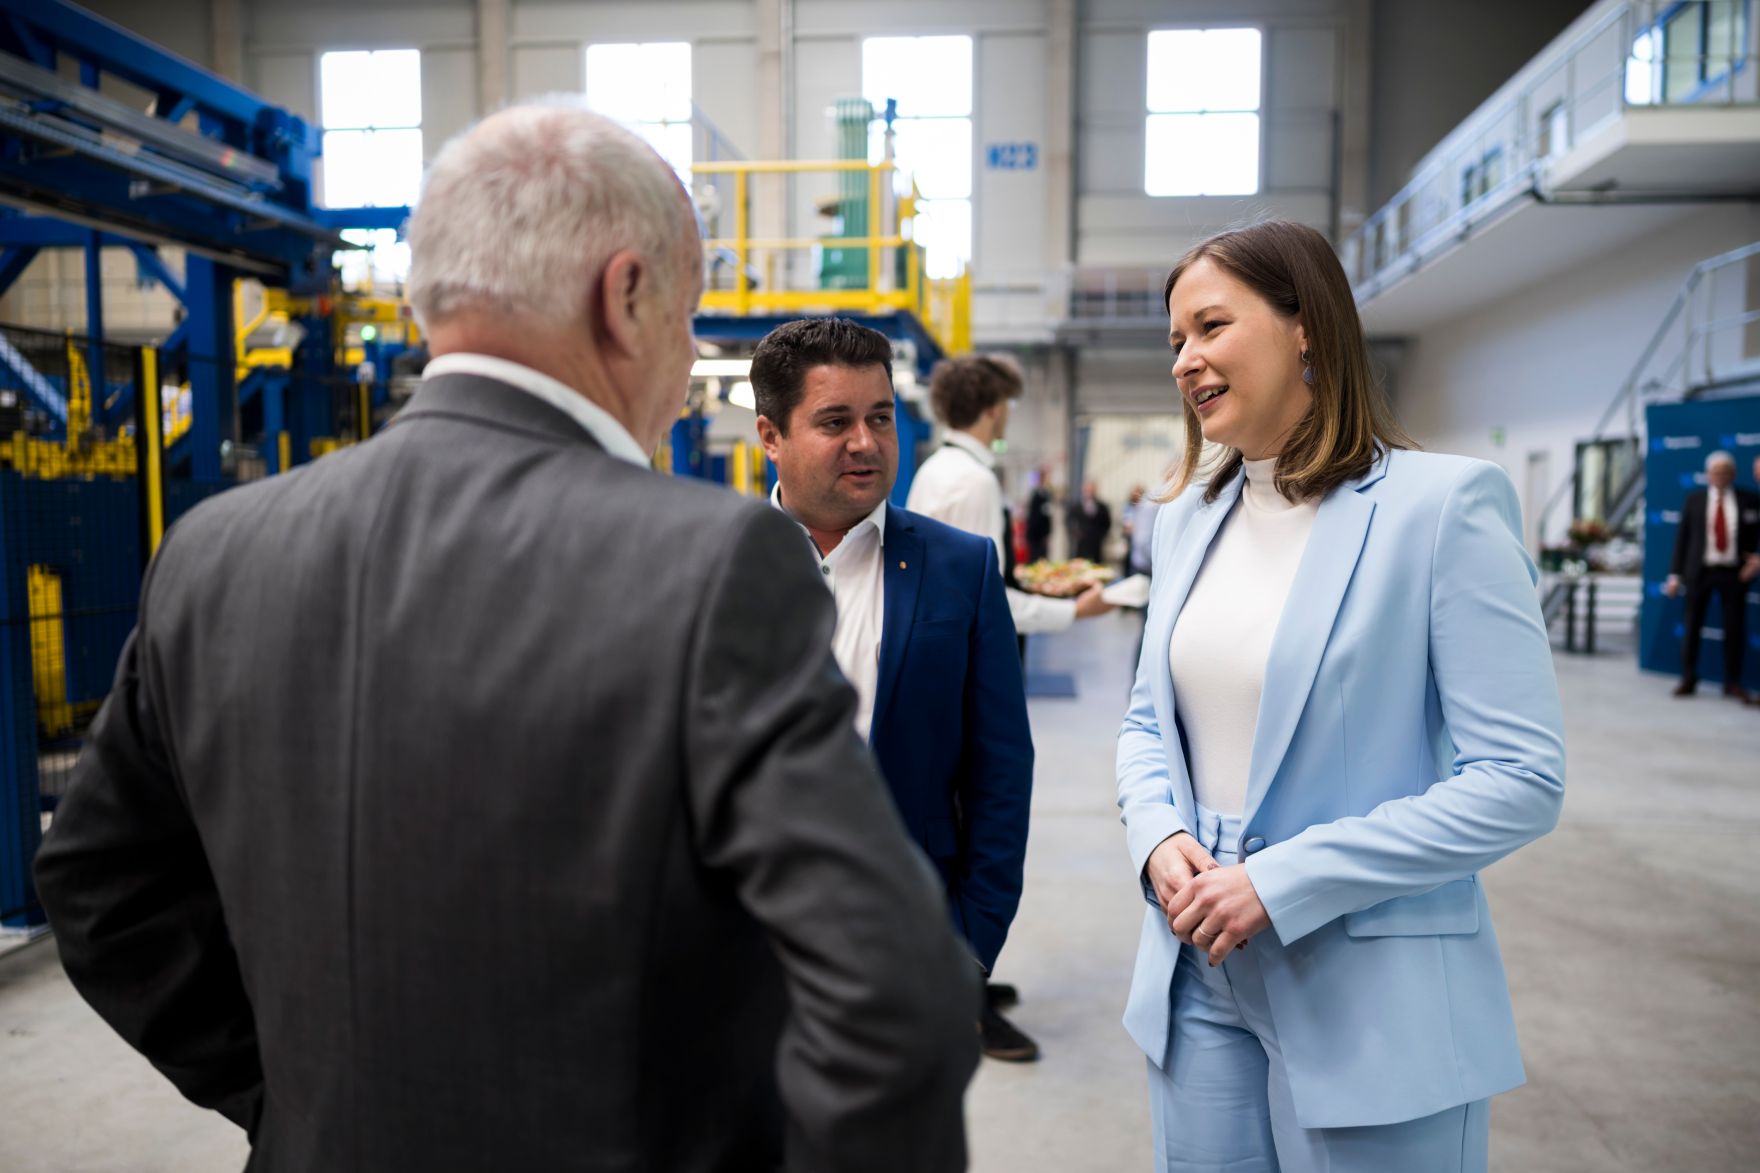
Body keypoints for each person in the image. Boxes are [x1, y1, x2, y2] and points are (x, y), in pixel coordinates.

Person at [33, 103, 979, 1172]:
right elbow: (898, 1003)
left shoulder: (211, 553)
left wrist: (290, 1096)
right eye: (684, 318)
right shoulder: (712, 563)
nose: (684, 369)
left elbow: (101, 889)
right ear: (625, 296)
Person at [1118, 220, 1565, 1172]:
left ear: (1306, 328)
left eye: (1211, 326)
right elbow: (1150, 720)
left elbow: (1520, 779)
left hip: (1368, 974)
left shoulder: (1442, 509)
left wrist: (1282, 880)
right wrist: (1157, 836)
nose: (1186, 360)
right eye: (1176, 340)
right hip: (1195, 959)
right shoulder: (1188, 520)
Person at [750, 318, 1039, 1062]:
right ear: (771, 435)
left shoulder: (960, 567)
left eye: (880, 418)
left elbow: (1001, 769)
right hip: (743, 950)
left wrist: (971, 944)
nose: (866, 442)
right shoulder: (710, 564)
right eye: (835, 422)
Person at [907, 354, 1111, 635]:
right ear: (992, 409)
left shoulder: (932, 469)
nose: (1009, 413)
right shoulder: (975, 481)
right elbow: (987, 600)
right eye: (1008, 403)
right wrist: (1075, 610)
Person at [1663, 450, 1759, 700]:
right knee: (1692, 625)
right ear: (1707, 474)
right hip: (1699, 573)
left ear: (1733, 474)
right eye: (1715, 472)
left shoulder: (1750, 500)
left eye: (1725, 472)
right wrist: (1675, 575)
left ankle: (1732, 682)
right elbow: (1682, 539)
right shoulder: (1694, 500)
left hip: (1734, 575)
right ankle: (1688, 677)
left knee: (1735, 628)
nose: (1720, 476)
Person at [1066, 480, 1113, 562]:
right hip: (1082, 542)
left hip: (1096, 543)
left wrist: (1101, 535)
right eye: (1087, 490)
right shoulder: (1077, 506)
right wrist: (1075, 533)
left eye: (1091, 490)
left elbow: (1107, 523)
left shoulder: (1102, 506)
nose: (1089, 492)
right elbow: (1069, 520)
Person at [1025, 468, 1054, 563]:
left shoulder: (1047, 495)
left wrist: (1048, 532)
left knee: (1043, 558)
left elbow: (1048, 516)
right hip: (1034, 533)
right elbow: (1032, 515)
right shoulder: (1035, 494)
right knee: (1034, 557)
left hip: (1043, 533)